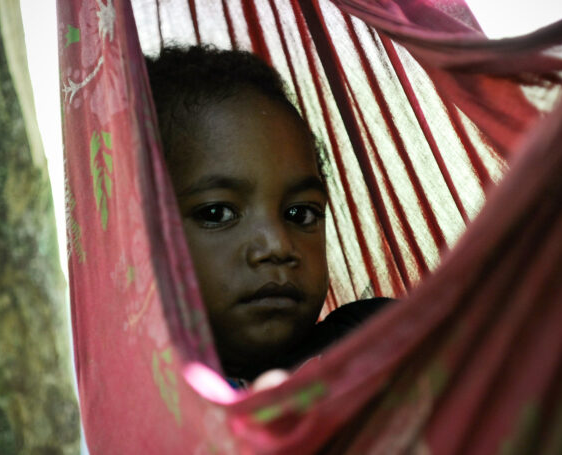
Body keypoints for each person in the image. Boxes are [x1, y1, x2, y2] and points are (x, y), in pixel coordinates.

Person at [146, 45, 389, 386]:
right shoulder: (155, 411)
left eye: (299, 213)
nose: (277, 245)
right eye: (217, 213)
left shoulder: (377, 339)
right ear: (140, 235)